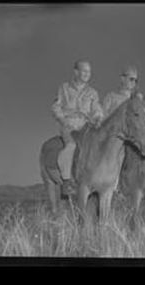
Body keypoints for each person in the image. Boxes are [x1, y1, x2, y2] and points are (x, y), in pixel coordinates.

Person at [51, 60, 104, 195]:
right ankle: (67, 182)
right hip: (69, 126)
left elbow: (97, 109)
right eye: (84, 71)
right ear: (76, 72)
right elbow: (56, 106)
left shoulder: (92, 92)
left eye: (89, 71)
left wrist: (98, 117)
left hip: (86, 127)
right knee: (71, 146)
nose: (87, 74)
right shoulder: (64, 88)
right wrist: (62, 119)